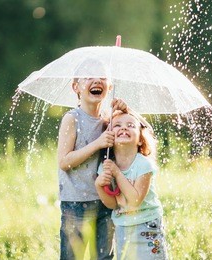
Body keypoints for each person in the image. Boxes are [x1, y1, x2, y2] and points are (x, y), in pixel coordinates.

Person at [57, 58, 129, 259]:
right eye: (89, 77)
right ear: (75, 87)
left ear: (109, 87)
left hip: (105, 201)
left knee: (104, 257)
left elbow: (141, 137)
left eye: (102, 77)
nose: (96, 80)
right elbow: (64, 162)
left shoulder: (111, 119)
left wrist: (126, 111)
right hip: (76, 202)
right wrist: (97, 143)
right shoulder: (72, 119)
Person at [95, 111, 168, 260]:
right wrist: (98, 186)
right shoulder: (106, 166)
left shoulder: (143, 165)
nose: (124, 128)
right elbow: (112, 204)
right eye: (117, 125)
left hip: (147, 225)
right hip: (122, 226)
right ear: (109, 136)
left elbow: (135, 201)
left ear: (140, 140)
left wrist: (117, 173)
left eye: (130, 125)